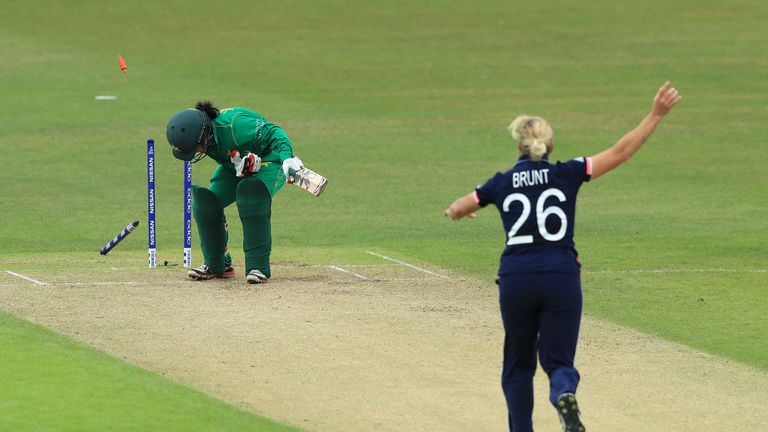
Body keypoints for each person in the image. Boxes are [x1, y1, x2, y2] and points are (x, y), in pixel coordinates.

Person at [444, 82, 682, 432]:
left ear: (519, 145)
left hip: (517, 279)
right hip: (560, 276)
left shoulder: (502, 182)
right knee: (558, 362)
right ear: (549, 144)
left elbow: (462, 205)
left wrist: (456, 212)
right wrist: (655, 114)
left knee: (518, 367)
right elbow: (620, 152)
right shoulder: (567, 172)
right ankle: (563, 394)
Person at [165, 101, 304, 283]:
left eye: (195, 146)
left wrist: (287, 158)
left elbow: (274, 132)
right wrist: (241, 163)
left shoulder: (235, 126)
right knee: (206, 203)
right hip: (237, 163)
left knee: (251, 197)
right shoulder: (206, 138)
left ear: (204, 133)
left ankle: (257, 266)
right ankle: (217, 264)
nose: (197, 151)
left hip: (271, 157)